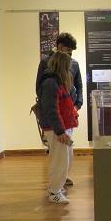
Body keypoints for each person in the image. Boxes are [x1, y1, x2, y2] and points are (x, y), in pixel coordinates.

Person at [35, 32, 83, 186]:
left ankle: (61, 180)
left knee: (66, 153)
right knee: (59, 154)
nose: (69, 55)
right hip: (56, 114)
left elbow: (78, 86)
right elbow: (42, 91)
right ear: (60, 47)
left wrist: (76, 105)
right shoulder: (46, 65)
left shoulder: (74, 64)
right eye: (68, 50)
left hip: (68, 114)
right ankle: (56, 186)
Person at [38, 51, 78, 204]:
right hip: (56, 129)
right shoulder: (50, 83)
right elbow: (51, 110)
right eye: (68, 66)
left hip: (63, 127)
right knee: (59, 161)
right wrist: (60, 131)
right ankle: (54, 192)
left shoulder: (60, 81)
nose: (70, 69)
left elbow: (69, 100)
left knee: (66, 159)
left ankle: (57, 188)